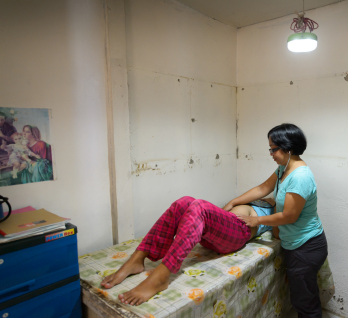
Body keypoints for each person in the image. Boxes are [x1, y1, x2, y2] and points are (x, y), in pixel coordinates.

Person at [227, 123, 328, 318]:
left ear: (288, 148)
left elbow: (289, 215)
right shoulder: (284, 168)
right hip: (295, 243)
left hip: (306, 247)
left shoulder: (300, 176)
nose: (271, 154)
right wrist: (233, 201)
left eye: (274, 149)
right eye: (270, 149)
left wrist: (256, 221)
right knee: (302, 297)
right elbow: (263, 188)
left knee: (305, 303)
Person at [100, 196, 274, 306]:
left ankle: (163, 274)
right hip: (221, 230)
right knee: (182, 203)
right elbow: (261, 188)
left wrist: (258, 220)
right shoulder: (266, 189)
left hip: (238, 233)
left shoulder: (278, 206)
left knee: (200, 207)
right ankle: (137, 259)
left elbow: (285, 222)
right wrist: (231, 204)